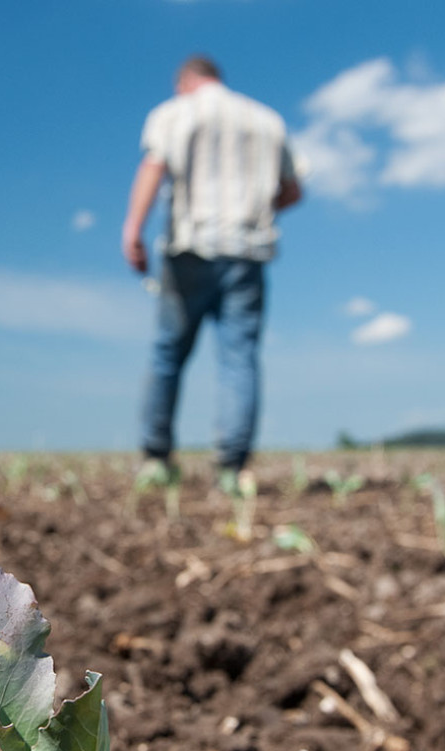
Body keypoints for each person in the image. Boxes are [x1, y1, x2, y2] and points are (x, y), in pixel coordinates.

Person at [122, 55, 302, 493]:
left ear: (185, 81)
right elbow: (293, 189)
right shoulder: (266, 119)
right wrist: (254, 211)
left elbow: (153, 165)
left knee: (168, 352)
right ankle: (233, 470)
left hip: (192, 246)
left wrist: (133, 229)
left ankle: (156, 460)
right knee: (238, 358)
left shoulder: (175, 112)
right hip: (248, 251)